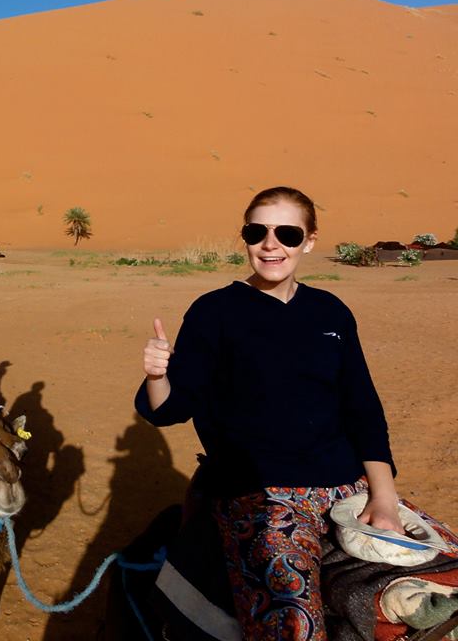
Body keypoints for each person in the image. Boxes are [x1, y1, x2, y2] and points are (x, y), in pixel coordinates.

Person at [135, 186, 402, 641]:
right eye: (257, 231)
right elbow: (171, 411)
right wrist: (158, 374)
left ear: (310, 240)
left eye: (287, 233)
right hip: (259, 494)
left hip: (346, 485)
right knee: (295, 627)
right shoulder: (214, 312)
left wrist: (385, 496)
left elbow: (362, 407)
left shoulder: (331, 312)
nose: (270, 244)